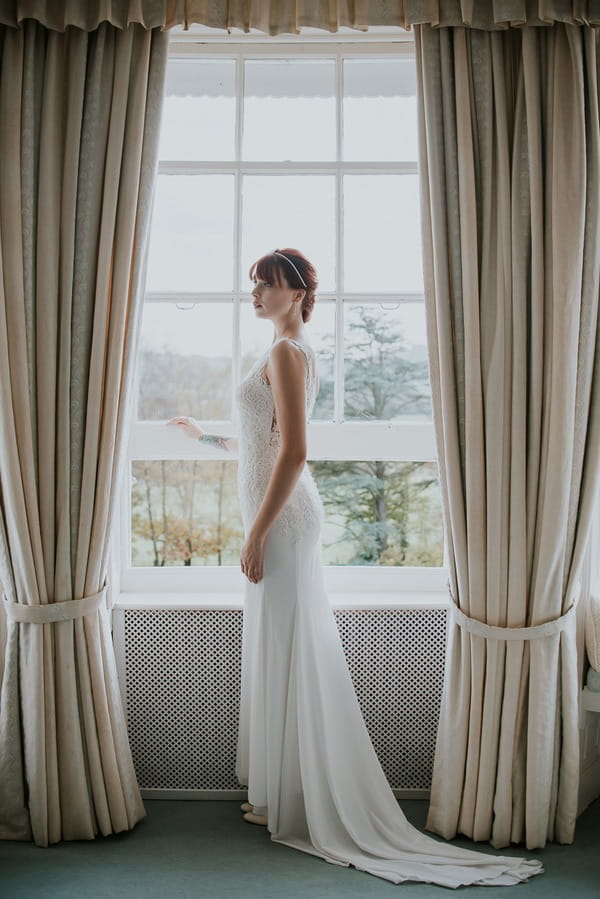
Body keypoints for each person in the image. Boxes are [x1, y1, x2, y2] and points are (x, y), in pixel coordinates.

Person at [166, 248, 543, 887]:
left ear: (296, 292)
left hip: (283, 524)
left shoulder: (289, 353)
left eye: (265, 284)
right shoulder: (278, 351)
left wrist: (256, 532)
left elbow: (295, 452)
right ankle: (279, 788)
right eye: (253, 284)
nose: (254, 293)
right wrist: (203, 437)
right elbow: (259, 441)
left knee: (290, 647)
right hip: (274, 519)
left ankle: (295, 794)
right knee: (277, 647)